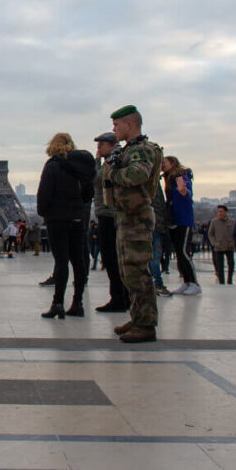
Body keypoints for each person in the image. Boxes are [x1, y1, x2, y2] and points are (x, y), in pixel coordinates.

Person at [102, 105, 162, 343]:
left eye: (116, 125)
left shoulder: (141, 150)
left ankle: (146, 324)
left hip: (137, 217)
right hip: (127, 215)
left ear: (129, 124)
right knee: (129, 271)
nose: (113, 129)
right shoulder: (130, 150)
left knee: (137, 271)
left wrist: (111, 173)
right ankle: (138, 317)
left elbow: (138, 175)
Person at [36, 133, 95, 319]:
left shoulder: (52, 166)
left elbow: (44, 194)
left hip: (57, 220)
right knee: (78, 261)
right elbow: (88, 194)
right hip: (77, 219)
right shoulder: (83, 169)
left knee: (61, 262)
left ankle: (58, 304)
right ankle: (78, 303)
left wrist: (45, 212)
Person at [91, 132, 129, 313]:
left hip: (109, 214)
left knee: (112, 259)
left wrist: (96, 161)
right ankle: (122, 297)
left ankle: (119, 298)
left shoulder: (114, 160)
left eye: (100, 146)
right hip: (110, 214)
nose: (98, 150)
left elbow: (97, 180)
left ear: (111, 145)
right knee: (114, 259)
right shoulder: (117, 158)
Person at [161, 156, 201, 295]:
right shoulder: (168, 178)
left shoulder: (181, 175)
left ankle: (194, 283)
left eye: (164, 163)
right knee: (178, 252)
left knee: (183, 251)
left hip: (183, 218)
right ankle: (187, 281)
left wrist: (184, 192)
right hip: (174, 219)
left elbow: (187, 191)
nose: (162, 165)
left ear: (172, 163)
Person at [208, 205, 236, 284]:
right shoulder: (214, 222)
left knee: (231, 264)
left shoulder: (232, 222)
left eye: (221, 211)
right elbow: (210, 234)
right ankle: (221, 281)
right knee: (220, 265)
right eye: (218, 212)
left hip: (229, 246)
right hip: (218, 247)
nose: (220, 213)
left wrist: (233, 242)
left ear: (226, 212)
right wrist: (214, 243)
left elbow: (235, 233)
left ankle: (229, 280)